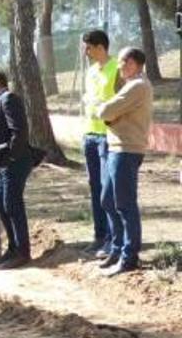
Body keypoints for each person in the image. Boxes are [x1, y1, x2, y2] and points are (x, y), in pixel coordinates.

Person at [96, 47, 153, 277]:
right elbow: (110, 114)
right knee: (108, 200)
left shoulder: (138, 86)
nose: (119, 66)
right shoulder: (131, 86)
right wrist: (110, 114)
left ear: (133, 63)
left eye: (122, 62)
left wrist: (106, 111)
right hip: (116, 148)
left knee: (124, 204)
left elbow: (105, 111)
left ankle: (129, 257)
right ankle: (118, 249)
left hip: (127, 150)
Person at [0, 69, 33, 269]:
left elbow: (19, 131)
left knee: (12, 204)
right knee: (2, 204)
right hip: (3, 163)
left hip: (15, 162)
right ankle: (12, 248)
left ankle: (22, 251)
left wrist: (10, 155)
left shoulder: (8, 98)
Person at [81, 30, 123, 255]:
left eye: (88, 47)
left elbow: (121, 101)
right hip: (89, 135)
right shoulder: (90, 72)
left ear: (99, 47)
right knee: (95, 188)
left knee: (109, 190)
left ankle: (113, 238)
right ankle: (99, 235)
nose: (86, 52)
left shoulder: (117, 67)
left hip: (108, 136)